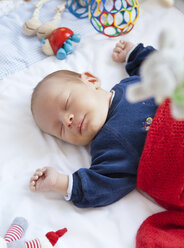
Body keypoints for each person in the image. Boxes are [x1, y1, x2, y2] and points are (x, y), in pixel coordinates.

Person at [29, 40, 158, 208]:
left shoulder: (129, 84)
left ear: (90, 80)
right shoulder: (108, 147)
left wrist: (133, 54)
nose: (67, 121)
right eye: (60, 129)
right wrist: (60, 182)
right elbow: (102, 185)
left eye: (67, 104)